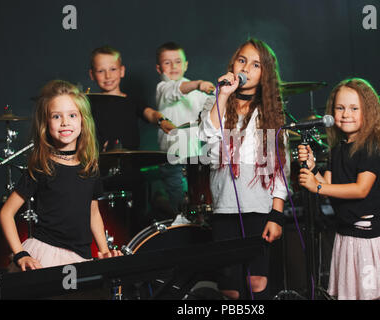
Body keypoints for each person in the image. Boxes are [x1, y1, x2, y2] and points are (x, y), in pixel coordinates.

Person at [297, 78, 380, 300]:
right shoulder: (337, 149)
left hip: (369, 236)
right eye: (340, 108)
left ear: (368, 112)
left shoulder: (371, 147)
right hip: (346, 233)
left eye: (353, 108)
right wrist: (313, 169)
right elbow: (329, 187)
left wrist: (317, 185)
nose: (345, 114)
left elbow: (360, 190)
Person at [199, 38, 290, 300]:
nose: (246, 68)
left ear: (265, 74)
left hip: (259, 208)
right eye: (242, 60)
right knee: (229, 286)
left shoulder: (271, 112)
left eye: (255, 64)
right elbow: (208, 134)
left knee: (256, 282)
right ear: (233, 64)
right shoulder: (215, 101)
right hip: (225, 206)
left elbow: (280, 170)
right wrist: (223, 94)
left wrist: (276, 215)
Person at [0, 80, 121, 271]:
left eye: (72, 115)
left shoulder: (90, 166)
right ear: (46, 124)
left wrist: (104, 250)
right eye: (56, 116)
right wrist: (20, 255)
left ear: (83, 120)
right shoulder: (43, 166)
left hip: (81, 256)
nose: (65, 122)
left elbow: (93, 212)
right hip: (46, 253)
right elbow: (6, 213)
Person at [88, 45, 176, 231]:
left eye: (112, 69)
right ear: (92, 75)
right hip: (101, 172)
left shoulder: (131, 100)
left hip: (130, 170)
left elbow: (150, 113)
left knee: (137, 212)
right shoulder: (89, 102)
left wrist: (161, 120)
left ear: (122, 71)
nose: (108, 75)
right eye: (101, 71)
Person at [155, 41, 215, 215]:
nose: (173, 66)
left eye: (178, 61)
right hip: (172, 158)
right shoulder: (162, 88)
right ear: (159, 69)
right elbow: (176, 90)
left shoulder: (197, 91)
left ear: (186, 65)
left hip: (194, 158)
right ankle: (166, 208)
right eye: (167, 63)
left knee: (198, 203)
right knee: (179, 206)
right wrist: (198, 84)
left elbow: (210, 110)